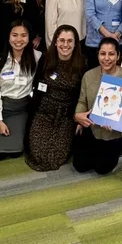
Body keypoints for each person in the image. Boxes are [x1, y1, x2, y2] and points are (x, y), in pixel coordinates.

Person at [25, 25, 85, 171]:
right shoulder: (46, 59)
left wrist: (78, 119)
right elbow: (36, 85)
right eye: (62, 40)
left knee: (56, 156)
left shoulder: (82, 64)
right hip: (43, 112)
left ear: (75, 43)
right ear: (56, 42)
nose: (65, 45)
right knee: (38, 154)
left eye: (70, 41)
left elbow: (82, 95)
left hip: (66, 116)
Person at [73, 37, 122, 174]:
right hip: (92, 129)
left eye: (111, 54)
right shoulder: (88, 75)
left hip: (114, 133)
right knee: (80, 166)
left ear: (118, 56)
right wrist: (78, 116)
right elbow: (82, 101)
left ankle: (121, 148)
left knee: (102, 168)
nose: (106, 58)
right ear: (98, 55)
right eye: (102, 53)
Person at [0, 20, 42, 161]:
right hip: (4, 108)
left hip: (23, 109)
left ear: (29, 37)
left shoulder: (38, 57)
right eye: (15, 35)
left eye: (23, 35)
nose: (19, 40)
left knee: (16, 151)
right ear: (8, 37)